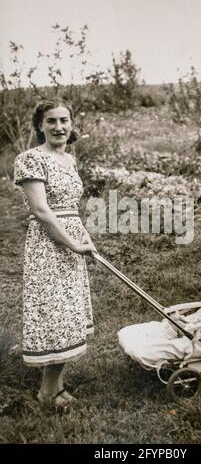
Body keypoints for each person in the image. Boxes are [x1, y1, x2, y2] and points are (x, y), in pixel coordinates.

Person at [13, 98, 97, 407]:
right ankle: (48, 393)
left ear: (72, 125)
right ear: (40, 126)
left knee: (69, 313)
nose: (59, 127)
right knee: (55, 315)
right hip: (48, 245)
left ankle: (56, 386)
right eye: (51, 121)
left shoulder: (70, 159)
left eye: (64, 120)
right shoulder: (30, 158)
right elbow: (41, 210)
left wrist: (84, 238)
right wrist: (72, 243)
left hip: (71, 238)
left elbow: (71, 209)